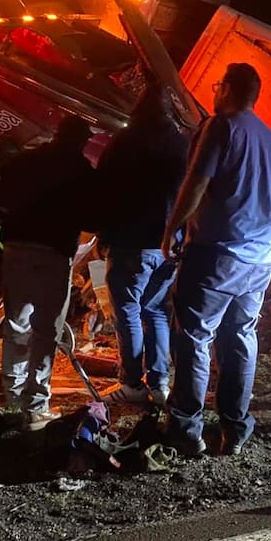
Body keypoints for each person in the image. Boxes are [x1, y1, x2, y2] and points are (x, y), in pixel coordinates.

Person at [161, 63, 271, 456]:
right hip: (260, 258)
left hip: (218, 254)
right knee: (240, 337)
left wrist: (172, 228)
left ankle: (186, 427)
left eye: (217, 86)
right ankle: (235, 426)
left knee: (196, 335)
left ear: (227, 89)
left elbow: (196, 180)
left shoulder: (221, 126)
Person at [0, 115, 97, 431]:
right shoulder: (82, 172)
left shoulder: (24, 161)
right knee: (46, 329)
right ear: (81, 142)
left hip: (17, 245)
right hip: (53, 252)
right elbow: (92, 217)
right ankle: (35, 404)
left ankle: (12, 394)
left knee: (15, 321)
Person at [97, 84, 190, 407]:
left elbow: (104, 190)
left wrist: (103, 236)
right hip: (167, 245)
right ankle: (160, 382)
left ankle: (132, 383)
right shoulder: (182, 144)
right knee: (157, 310)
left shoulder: (124, 142)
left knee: (128, 311)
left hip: (129, 241)